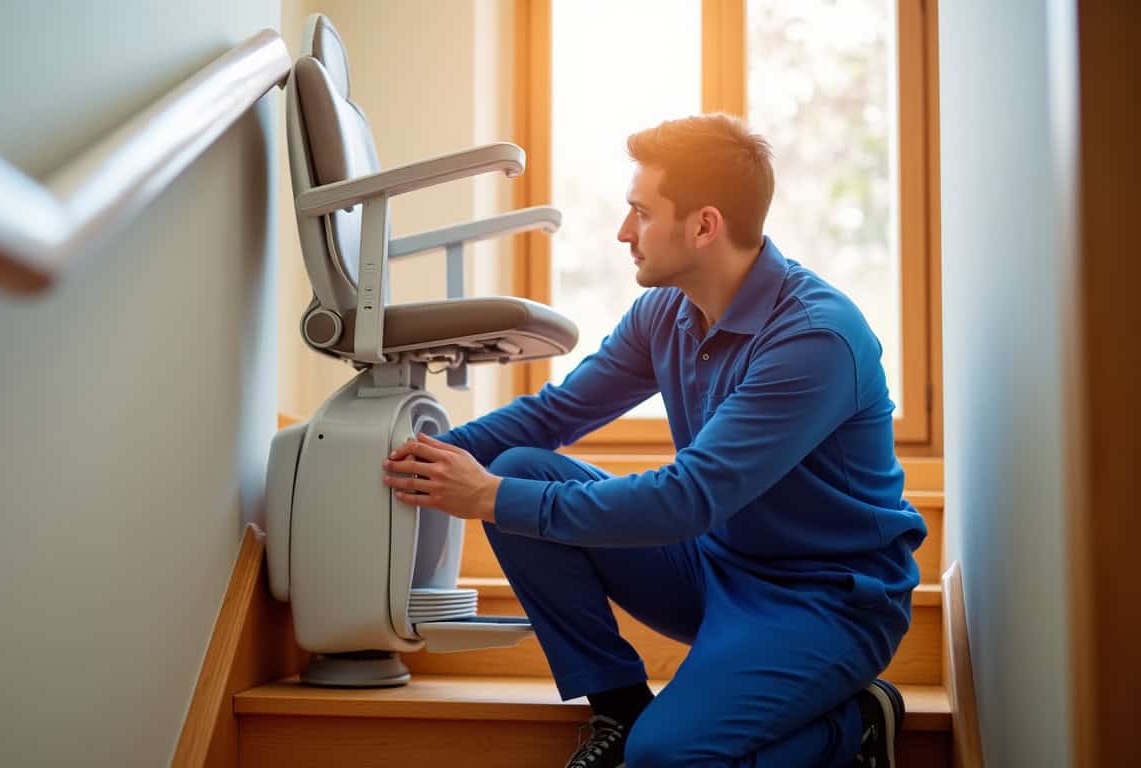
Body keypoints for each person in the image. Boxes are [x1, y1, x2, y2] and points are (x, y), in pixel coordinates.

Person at [381, 114, 927, 768]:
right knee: (528, 466)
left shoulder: (814, 339)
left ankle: (857, 724)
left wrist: (489, 496)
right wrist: (419, 454)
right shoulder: (665, 311)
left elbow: (689, 497)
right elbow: (556, 414)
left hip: (825, 600)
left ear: (704, 225)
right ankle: (620, 707)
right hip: (716, 567)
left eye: (641, 212)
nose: (623, 232)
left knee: (666, 758)